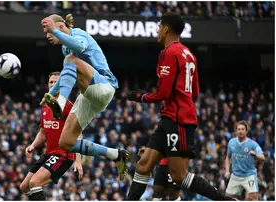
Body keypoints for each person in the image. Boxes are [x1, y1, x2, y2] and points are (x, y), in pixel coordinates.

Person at [126, 12, 235, 200]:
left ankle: (225, 200)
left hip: (179, 120)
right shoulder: (189, 54)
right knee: (143, 165)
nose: (157, 30)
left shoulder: (169, 53)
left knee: (178, 176)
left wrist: (141, 96)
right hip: (170, 117)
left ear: (166, 29)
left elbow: (163, 94)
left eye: (159, 27)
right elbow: (195, 92)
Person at [40, 14, 129, 179]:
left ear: (60, 27)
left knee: (70, 59)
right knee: (66, 142)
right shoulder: (65, 48)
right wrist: (50, 94)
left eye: (50, 32)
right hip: (89, 96)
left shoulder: (79, 34)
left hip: (104, 86)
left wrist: (55, 32)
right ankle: (116, 155)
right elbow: (67, 73)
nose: (48, 36)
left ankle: (61, 102)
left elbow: (80, 48)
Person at [19, 72, 83, 201]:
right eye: (51, 82)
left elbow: (78, 133)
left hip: (63, 154)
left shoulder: (67, 106)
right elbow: (43, 132)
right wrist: (33, 145)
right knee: (24, 186)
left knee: (34, 183)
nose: (53, 85)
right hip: (49, 153)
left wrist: (78, 161)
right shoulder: (45, 106)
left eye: (56, 82)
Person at [225, 120, 265, 200]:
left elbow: (263, 157)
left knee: (253, 197)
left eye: (242, 129)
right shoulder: (231, 142)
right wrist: (227, 171)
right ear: (236, 131)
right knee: (227, 198)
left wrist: (255, 155)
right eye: (238, 129)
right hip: (235, 175)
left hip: (249, 175)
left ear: (246, 131)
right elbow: (228, 157)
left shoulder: (252, 144)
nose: (240, 131)